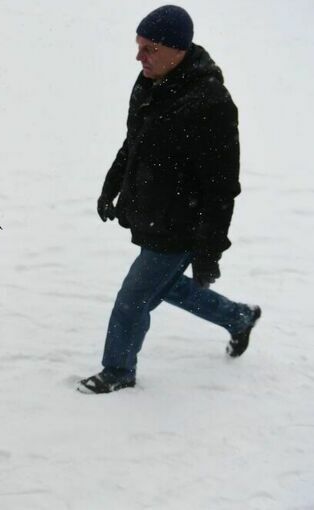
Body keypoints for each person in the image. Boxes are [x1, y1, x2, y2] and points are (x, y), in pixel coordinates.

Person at [79, 5, 261, 394]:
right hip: (152, 214)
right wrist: (111, 187)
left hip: (183, 225)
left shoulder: (211, 104)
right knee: (169, 287)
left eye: (150, 49)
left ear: (178, 49)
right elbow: (135, 143)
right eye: (138, 46)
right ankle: (238, 317)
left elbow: (221, 188)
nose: (139, 57)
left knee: (132, 300)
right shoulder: (149, 83)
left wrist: (209, 251)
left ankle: (118, 371)